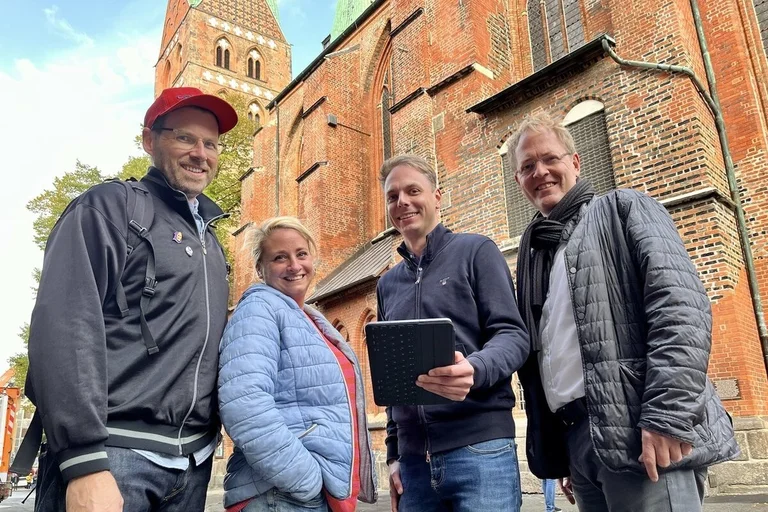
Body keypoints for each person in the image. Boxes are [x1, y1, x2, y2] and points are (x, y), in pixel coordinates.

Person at [19, 87, 238, 512]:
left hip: (192, 464)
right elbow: (65, 327)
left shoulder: (211, 242)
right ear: (149, 141)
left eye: (210, 143)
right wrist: (83, 461)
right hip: (115, 457)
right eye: (184, 138)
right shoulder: (110, 206)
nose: (200, 153)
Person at [512, 112, 739, 512]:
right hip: (582, 438)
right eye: (527, 166)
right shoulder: (539, 255)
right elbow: (554, 353)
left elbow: (681, 309)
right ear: (518, 180)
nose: (540, 172)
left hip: (642, 433)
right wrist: (568, 448)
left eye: (550, 159)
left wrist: (666, 416)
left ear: (576, 163)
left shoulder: (622, 209)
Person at [376, 155, 530, 512]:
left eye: (413, 190)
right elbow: (392, 377)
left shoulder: (476, 251)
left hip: (481, 451)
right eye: (392, 195)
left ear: (437, 196)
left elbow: (514, 335)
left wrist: (475, 368)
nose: (403, 202)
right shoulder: (387, 284)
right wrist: (394, 455)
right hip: (414, 466)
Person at [218, 216, 378, 512]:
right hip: (280, 495)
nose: (294, 266)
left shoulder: (308, 317)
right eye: (280, 258)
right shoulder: (259, 308)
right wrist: (306, 480)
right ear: (260, 269)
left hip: (298, 495)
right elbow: (244, 403)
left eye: (301, 254)